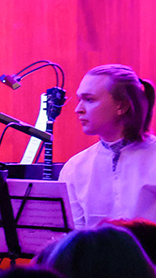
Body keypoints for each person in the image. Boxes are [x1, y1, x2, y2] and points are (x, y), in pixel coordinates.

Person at [60, 64, 156, 229]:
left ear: (122, 106)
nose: (78, 109)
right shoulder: (74, 168)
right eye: (79, 100)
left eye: (89, 100)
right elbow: (74, 235)